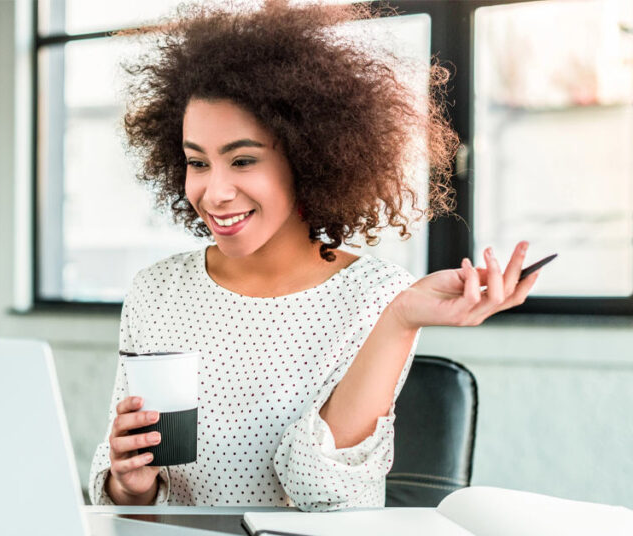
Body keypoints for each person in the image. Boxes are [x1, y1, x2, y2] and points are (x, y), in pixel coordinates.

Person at [86, 1, 541, 511]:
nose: (214, 193)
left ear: (308, 158)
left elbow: (324, 496)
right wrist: (129, 483)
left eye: (242, 160)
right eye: (197, 162)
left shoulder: (378, 297)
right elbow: (124, 497)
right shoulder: (157, 291)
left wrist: (401, 320)